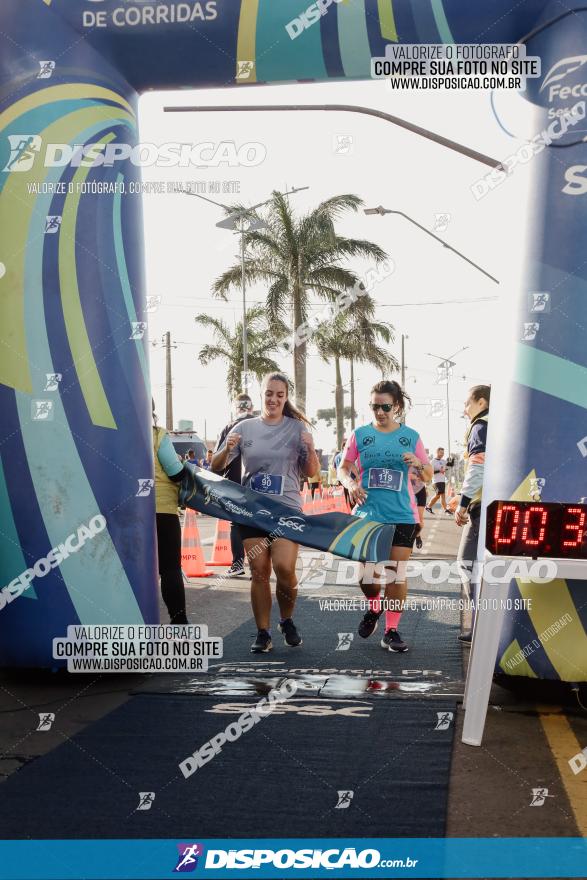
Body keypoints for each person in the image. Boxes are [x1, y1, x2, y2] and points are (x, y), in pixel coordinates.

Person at [212, 372, 320, 653]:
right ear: (262, 396)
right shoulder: (245, 428)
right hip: (253, 511)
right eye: (269, 394)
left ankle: (286, 620)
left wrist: (310, 448)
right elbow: (215, 466)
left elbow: (312, 472)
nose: (274, 399)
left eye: (280, 395)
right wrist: (228, 450)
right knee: (259, 571)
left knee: (285, 568)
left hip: (287, 509)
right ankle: (263, 632)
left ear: (286, 398)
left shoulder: (296, 429)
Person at [337, 380, 433, 652]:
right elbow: (343, 468)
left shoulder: (411, 437)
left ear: (397, 407)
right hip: (369, 514)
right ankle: (374, 607)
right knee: (367, 576)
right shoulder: (360, 434)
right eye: (374, 406)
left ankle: (391, 630)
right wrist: (352, 484)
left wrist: (418, 464)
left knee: (396, 574)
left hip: (402, 513)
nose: (379, 412)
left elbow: (427, 475)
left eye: (385, 406)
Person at [454, 384, 490, 644]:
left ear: (482, 402)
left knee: (466, 563)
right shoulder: (497, 423)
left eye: (468, 403)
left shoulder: (480, 426)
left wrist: (463, 503)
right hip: (495, 503)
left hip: (481, 508)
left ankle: (480, 626)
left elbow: (477, 469)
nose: (464, 408)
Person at [152, 401, 188, 624]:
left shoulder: (116, 432)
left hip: (126, 513)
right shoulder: (157, 435)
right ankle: (179, 621)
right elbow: (175, 473)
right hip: (162, 510)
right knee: (170, 568)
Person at [213, 393, 256, 577]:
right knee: (257, 523)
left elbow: (216, 463)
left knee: (236, 524)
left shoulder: (229, 428)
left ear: (235, 408)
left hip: (234, 485)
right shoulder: (261, 426)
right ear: (251, 407)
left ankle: (238, 563)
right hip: (257, 486)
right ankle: (258, 566)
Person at [426, 447, 451, 514]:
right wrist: (439, 471)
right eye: (441, 452)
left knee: (442, 496)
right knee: (438, 495)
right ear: (437, 452)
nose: (442, 454)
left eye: (443, 453)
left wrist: (452, 460)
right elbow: (431, 472)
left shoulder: (443, 461)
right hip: (436, 481)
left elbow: (450, 465)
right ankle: (428, 506)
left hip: (442, 481)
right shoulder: (433, 461)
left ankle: (446, 509)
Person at [409, 465, 427, 550]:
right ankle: (410, 542)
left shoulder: (417, 460)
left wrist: (417, 476)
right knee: (409, 519)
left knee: (419, 520)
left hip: (420, 491)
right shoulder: (399, 460)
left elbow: (427, 477)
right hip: (407, 492)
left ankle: (416, 535)